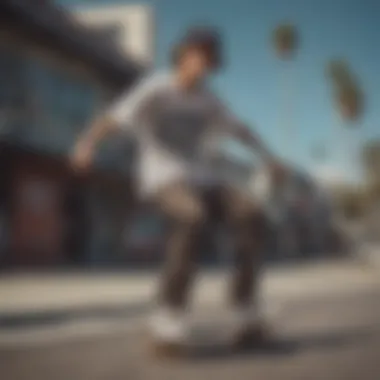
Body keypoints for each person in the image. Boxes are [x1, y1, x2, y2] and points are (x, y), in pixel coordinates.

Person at [71, 26, 285, 357]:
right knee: (192, 217)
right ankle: (167, 318)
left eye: (209, 61)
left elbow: (241, 130)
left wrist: (268, 156)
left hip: (205, 180)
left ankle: (245, 311)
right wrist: (87, 144)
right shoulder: (156, 88)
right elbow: (113, 118)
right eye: (198, 56)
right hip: (163, 179)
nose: (202, 65)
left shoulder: (209, 99)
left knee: (251, 212)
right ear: (183, 55)